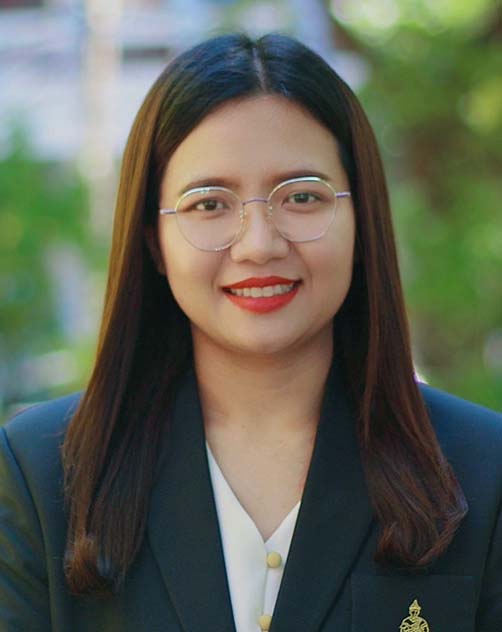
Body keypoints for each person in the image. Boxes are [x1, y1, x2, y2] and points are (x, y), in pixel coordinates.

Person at [0, 32, 500, 632]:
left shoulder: (484, 471)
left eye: (302, 197)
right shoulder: (40, 474)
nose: (259, 245)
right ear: (153, 240)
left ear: (361, 220)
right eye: (209, 204)